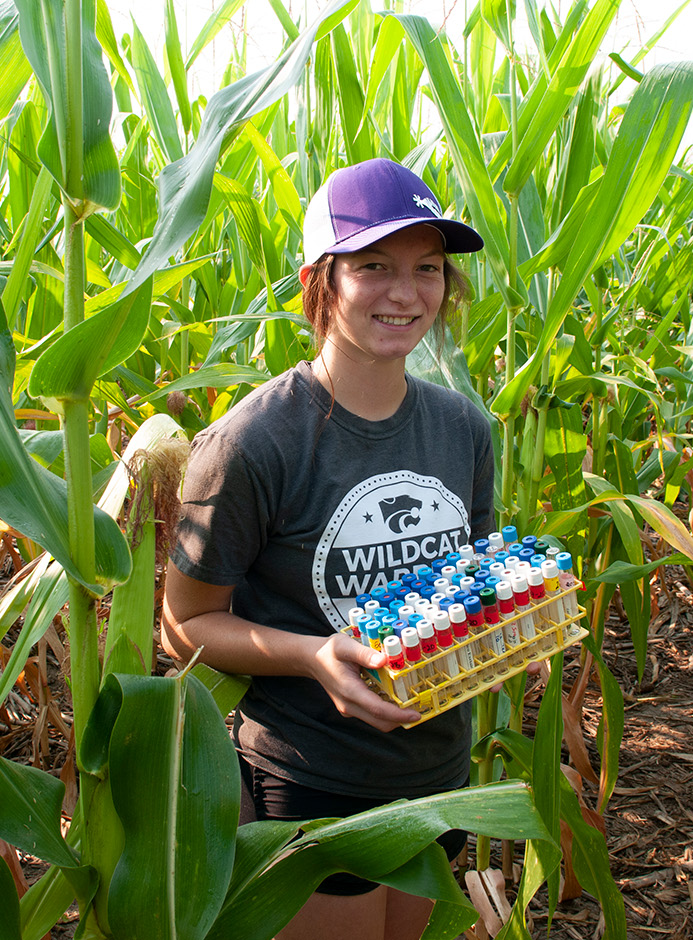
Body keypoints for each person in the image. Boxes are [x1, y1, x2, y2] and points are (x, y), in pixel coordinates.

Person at [162, 157, 492, 940]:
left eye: (427, 268)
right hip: (314, 773)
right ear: (319, 281)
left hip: (438, 765)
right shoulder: (252, 442)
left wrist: (506, 629)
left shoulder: (462, 427)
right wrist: (314, 656)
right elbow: (184, 626)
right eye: (374, 266)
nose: (405, 293)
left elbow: (468, 580)